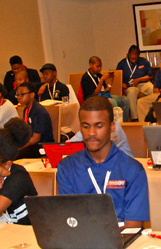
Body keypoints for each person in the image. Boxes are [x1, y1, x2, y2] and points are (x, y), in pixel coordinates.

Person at [57, 96, 149, 228]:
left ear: (112, 127)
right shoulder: (67, 167)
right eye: (86, 126)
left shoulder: (132, 170)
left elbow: (133, 227)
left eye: (99, 126)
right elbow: (68, 221)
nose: (91, 133)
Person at [81, 56, 130, 120]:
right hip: (93, 99)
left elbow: (105, 90)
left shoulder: (99, 75)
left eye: (100, 67)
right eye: (97, 66)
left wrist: (111, 81)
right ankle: (114, 125)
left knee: (125, 99)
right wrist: (101, 80)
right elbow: (95, 93)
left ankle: (124, 124)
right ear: (91, 65)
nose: (99, 69)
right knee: (112, 102)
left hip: (103, 96)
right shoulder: (86, 77)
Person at [15, 82, 55, 159]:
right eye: (17, 95)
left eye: (22, 94)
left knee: (15, 155)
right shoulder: (26, 109)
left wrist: (19, 147)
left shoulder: (38, 111)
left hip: (42, 145)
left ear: (32, 95)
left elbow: (35, 138)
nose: (19, 97)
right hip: (33, 144)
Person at [117, 45, 154, 121]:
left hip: (143, 83)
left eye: (135, 59)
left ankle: (153, 114)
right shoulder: (122, 64)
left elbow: (150, 76)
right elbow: (117, 78)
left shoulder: (144, 61)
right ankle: (135, 118)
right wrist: (121, 84)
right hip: (130, 86)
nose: (133, 60)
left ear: (139, 56)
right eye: (132, 58)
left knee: (152, 89)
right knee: (131, 92)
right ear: (128, 54)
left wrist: (139, 79)